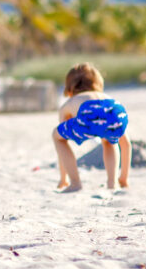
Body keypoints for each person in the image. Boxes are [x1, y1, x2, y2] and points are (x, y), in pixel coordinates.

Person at [52, 63, 131, 192]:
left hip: (87, 114)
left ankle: (75, 183)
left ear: (69, 90)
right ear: (98, 84)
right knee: (110, 142)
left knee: (57, 137)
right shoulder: (107, 97)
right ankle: (113, 182)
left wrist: (63, 178)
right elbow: (126, 144)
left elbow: (63, 138)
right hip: (115, 110)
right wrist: (124, 178)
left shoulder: (71, 102)